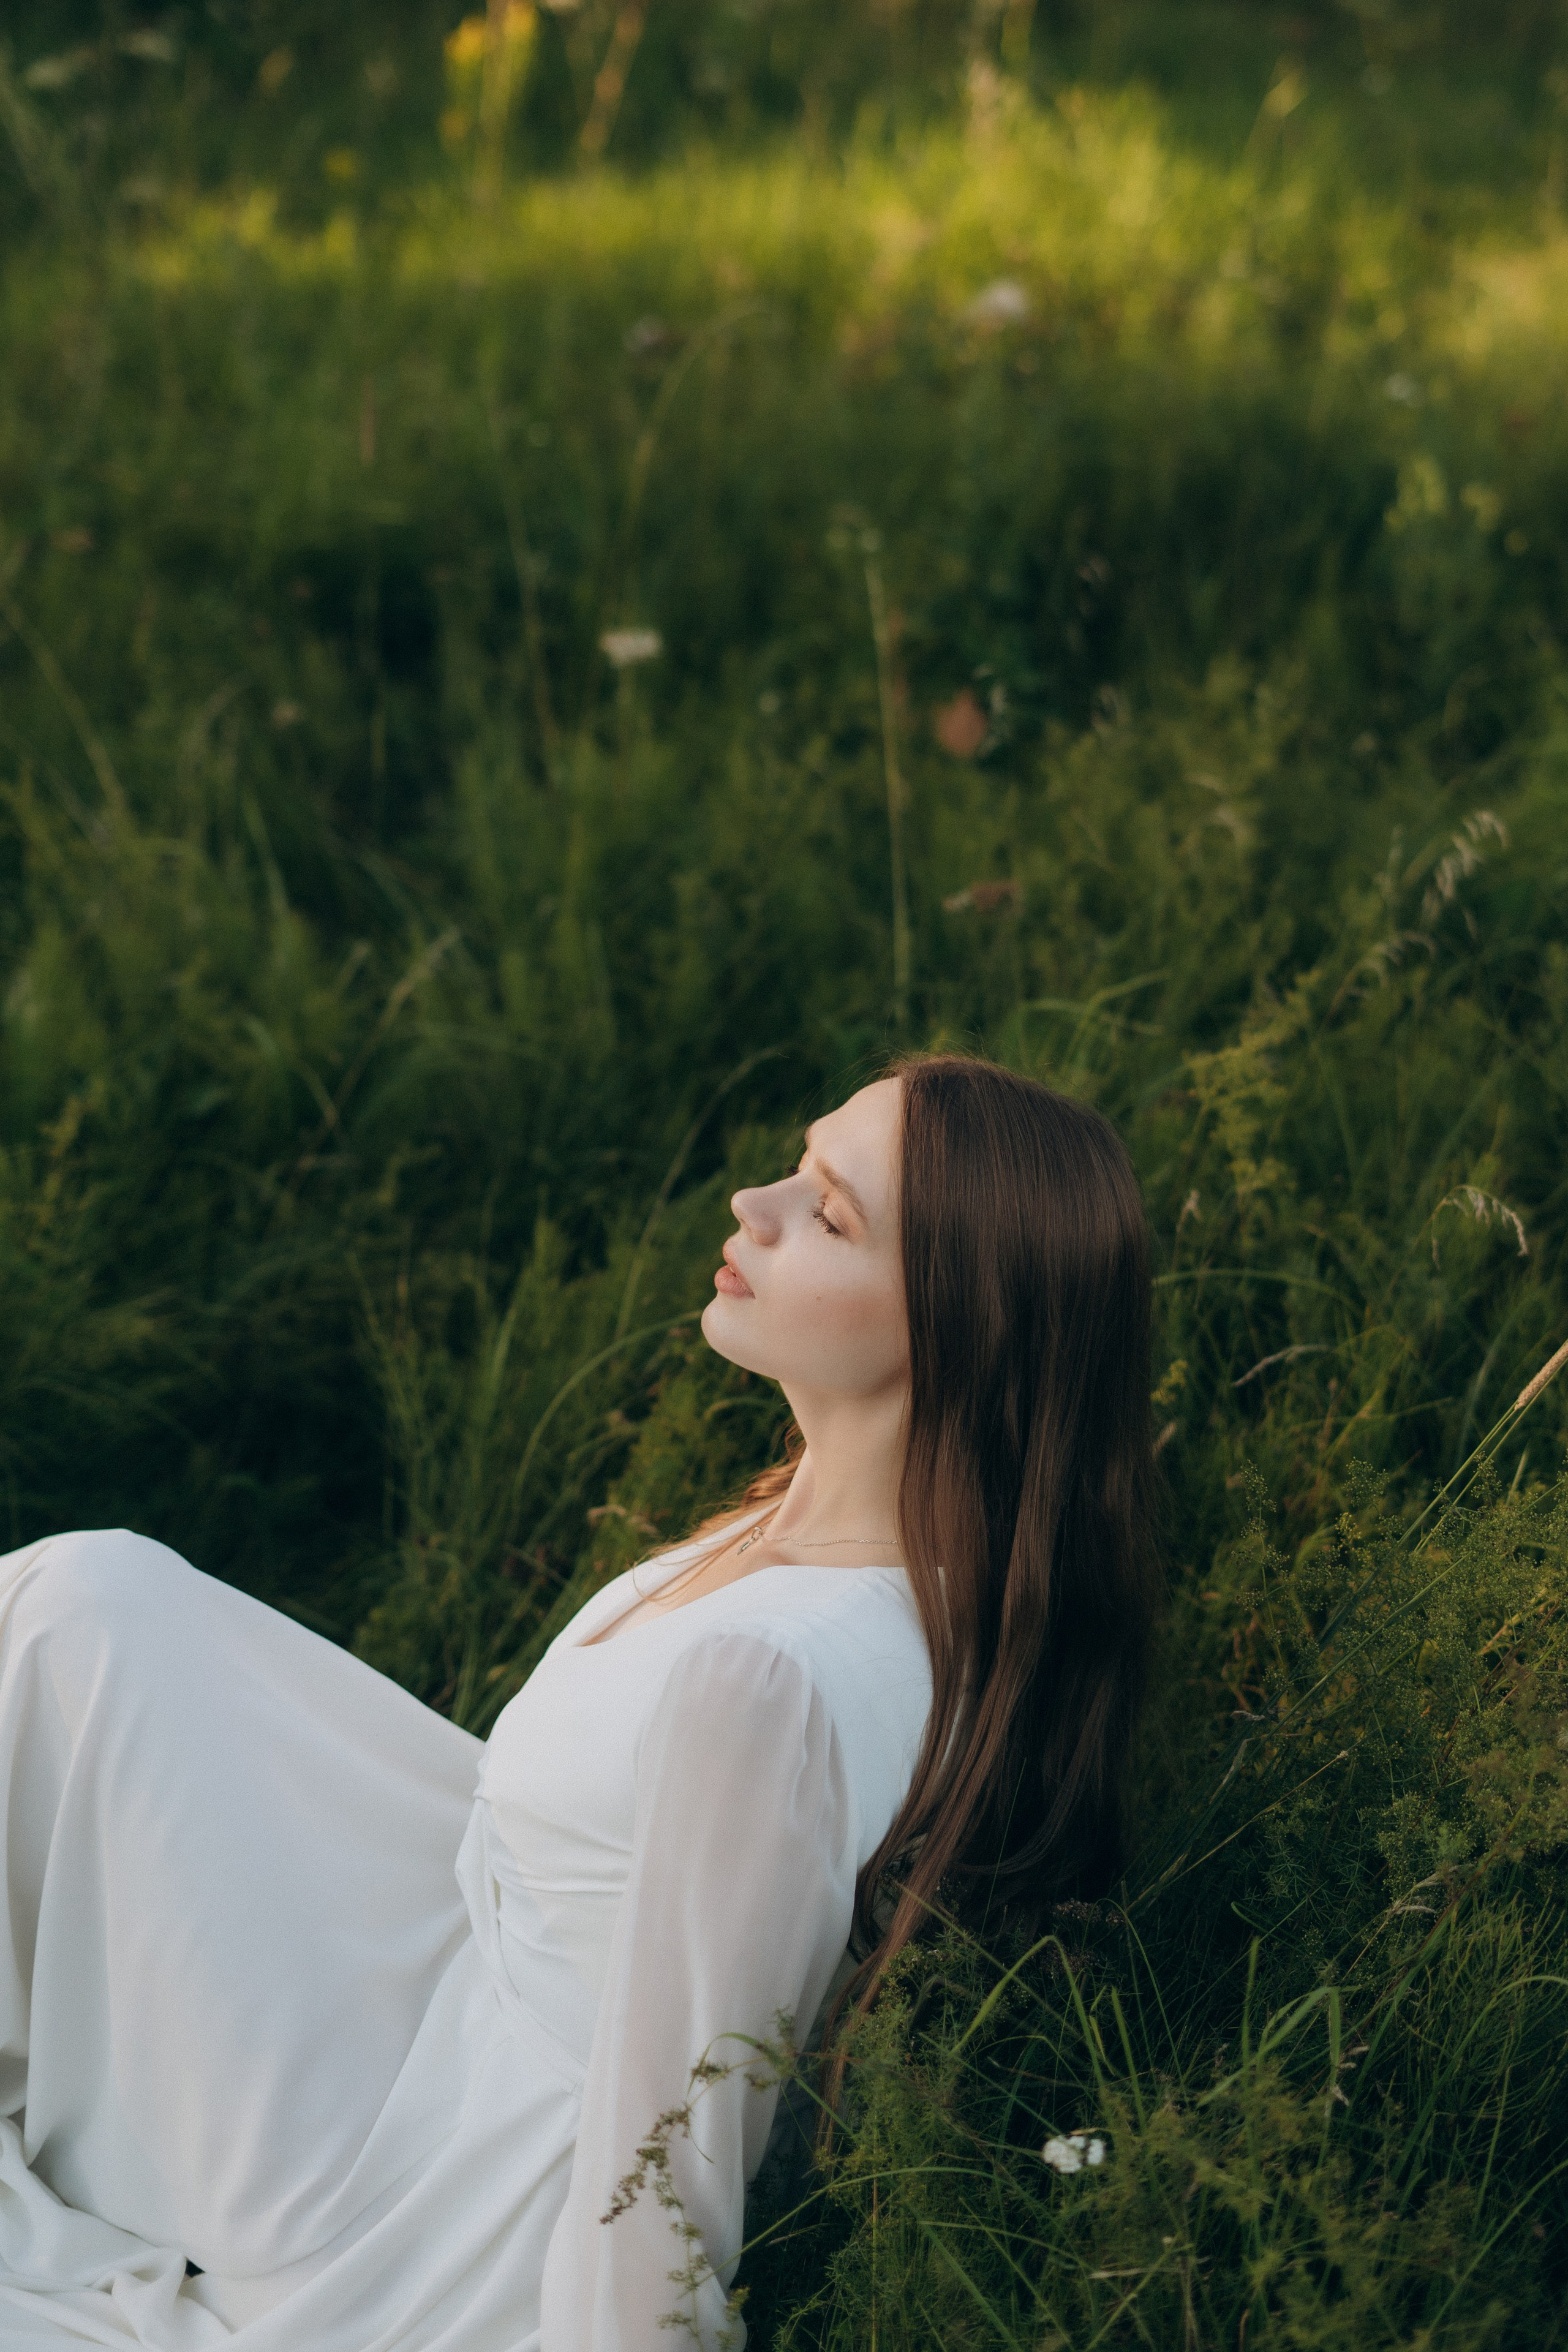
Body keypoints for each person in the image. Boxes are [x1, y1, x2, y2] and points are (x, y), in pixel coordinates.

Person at [0, 1054, 1159, 2350]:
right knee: (88, 1613)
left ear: (959, 1323)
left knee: (67, 1613)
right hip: (428, 1986)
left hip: (430, 2185)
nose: (752, 1204)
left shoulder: (773, 1680)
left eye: (826, 1215)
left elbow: (680, 2142)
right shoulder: (828, 1536)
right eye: (797, 1162)